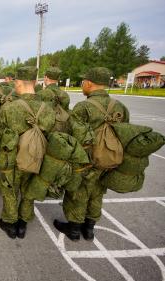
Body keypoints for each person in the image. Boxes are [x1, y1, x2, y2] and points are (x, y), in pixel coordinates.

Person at [53, 67, 130, 241]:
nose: (82, 85)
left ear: (89, 83)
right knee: (97, 193)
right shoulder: (120, 107)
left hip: (86, 160)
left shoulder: (84, 107)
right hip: (109, 159)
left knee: (79, 193)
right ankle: (89, 229)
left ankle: (73, 229)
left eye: (83, 82)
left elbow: (74, 136)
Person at [0, 66, 55, 239]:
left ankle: (10, 222)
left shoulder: (9, 108)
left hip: (13, 159)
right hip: (38, 157)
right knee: (30, 190)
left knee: (10, 189)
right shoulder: (47, 108)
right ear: (35, 82)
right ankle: (23, 223)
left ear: (17, 83)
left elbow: (0, 137)